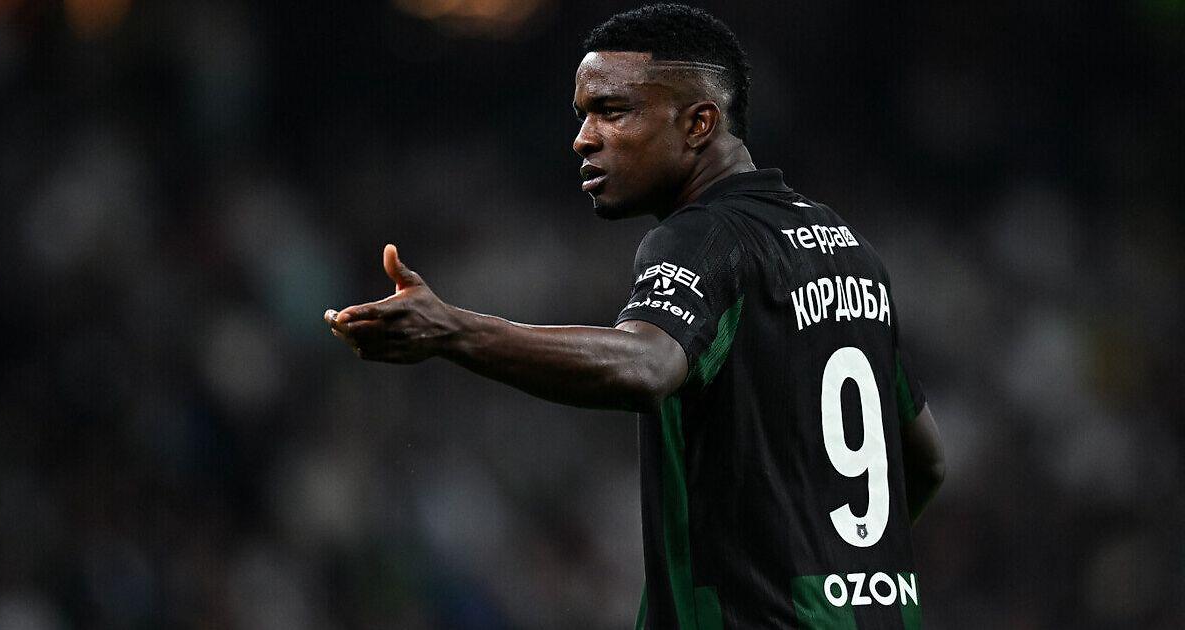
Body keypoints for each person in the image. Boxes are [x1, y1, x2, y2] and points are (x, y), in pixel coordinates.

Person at [324, 4, 944, 628]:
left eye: (612, 111)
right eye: (583, 114)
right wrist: (833, 574)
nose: (583, 137)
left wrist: (452, 330)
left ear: (699, 123)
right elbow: (926, 461)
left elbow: (646, 365)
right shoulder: (851, 251)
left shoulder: (704, 237)